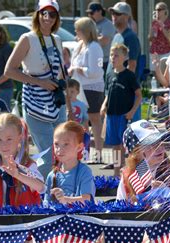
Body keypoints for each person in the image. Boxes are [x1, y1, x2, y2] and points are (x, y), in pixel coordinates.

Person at [5, 0, 69, 180]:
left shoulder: (57, 39)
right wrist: (39, 82)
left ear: (57, 18)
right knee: (48, 154)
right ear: (38, 15)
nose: (47, 18)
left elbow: (61, 74)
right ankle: (31, 188)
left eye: (52, 14)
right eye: (44, 13)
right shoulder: (28, 38)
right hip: (35, 102)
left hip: (56, 102)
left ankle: (57, 191)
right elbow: (9, 71)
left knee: (63, 151)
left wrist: (69, 104)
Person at [117, 120, 170, 243]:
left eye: (159, 142)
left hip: (167, 227)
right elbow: (119, 208)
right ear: (136, 151)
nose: (159, 147)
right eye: (150, 144)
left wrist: (166, 193)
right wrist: (135, 202)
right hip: (138, 227)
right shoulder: (128, 176)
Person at [100, 43, 142, 177]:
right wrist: (104, 104)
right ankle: (117, 172)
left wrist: (132, 112)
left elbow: (139, 95)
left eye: (116, 55)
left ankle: (130, 171)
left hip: (123, 116)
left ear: (124, 57)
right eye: (112, 55)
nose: (113, 57)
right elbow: (108, 92)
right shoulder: (110, 74)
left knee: (127, 146)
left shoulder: (129, 75)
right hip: (111, 114)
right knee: (115, 146)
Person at [69, 17, 105, 164]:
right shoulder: (79, 46)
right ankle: (85, 153)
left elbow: (95, 71)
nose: (75, 32)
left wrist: (79, 69)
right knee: (82, 121)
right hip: (80, 88)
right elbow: (72, 64)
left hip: (92, 88)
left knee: (94, 120)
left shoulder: (95, 47)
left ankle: (98, 153)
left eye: (78, 29)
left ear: (85, 31)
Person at [44, 121, 95, 204]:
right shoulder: (52, 175)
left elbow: (86, 200)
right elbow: (46, 204)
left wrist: (65, 199)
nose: (59, 149)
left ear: (79, 147)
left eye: (66, 144)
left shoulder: (84, 172)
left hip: (79, 217)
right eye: (56, 144)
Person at [107, 2, 141, 79]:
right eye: (113, 13)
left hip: (124, 87)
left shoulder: (131, 37)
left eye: (118, 13)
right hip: (113, 84)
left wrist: (125, 84)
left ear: (127, 17)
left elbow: (132, 64)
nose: (114, 16)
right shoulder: (116, 36)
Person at [86, 1, 116, 74]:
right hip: (92, 58)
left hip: (103, 60)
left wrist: (88, 38)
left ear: (99, 11)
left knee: (101, 79)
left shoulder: (107, 24)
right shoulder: (91, 24)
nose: (90, 15)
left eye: (92, 13)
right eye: (89, 13)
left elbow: (104, 41)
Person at [149, 2, 170, 71]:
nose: (157, 12)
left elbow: (169, 38)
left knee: (165, 73)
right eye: (156, 10)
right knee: (155, 74)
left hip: (166, 52)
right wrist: (152, 30)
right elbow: (150, 38)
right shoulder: (154, 23)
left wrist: (162, 26)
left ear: (165, 11)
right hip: (155, 53)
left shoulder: (169, 23)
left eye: (159, 10)